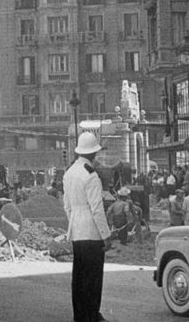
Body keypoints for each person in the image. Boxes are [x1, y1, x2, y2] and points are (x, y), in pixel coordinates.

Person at [63, 132, 111, 322]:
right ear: (93, 154)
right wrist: (105, 235)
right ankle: (92, 315)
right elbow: (97, 209)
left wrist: (74, 222)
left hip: (77, 229)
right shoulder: (91, 175)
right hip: (91, 231)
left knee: (79, 275)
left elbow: (66, 205)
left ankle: (79, 315)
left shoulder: (69, 173)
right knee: (93, 277)